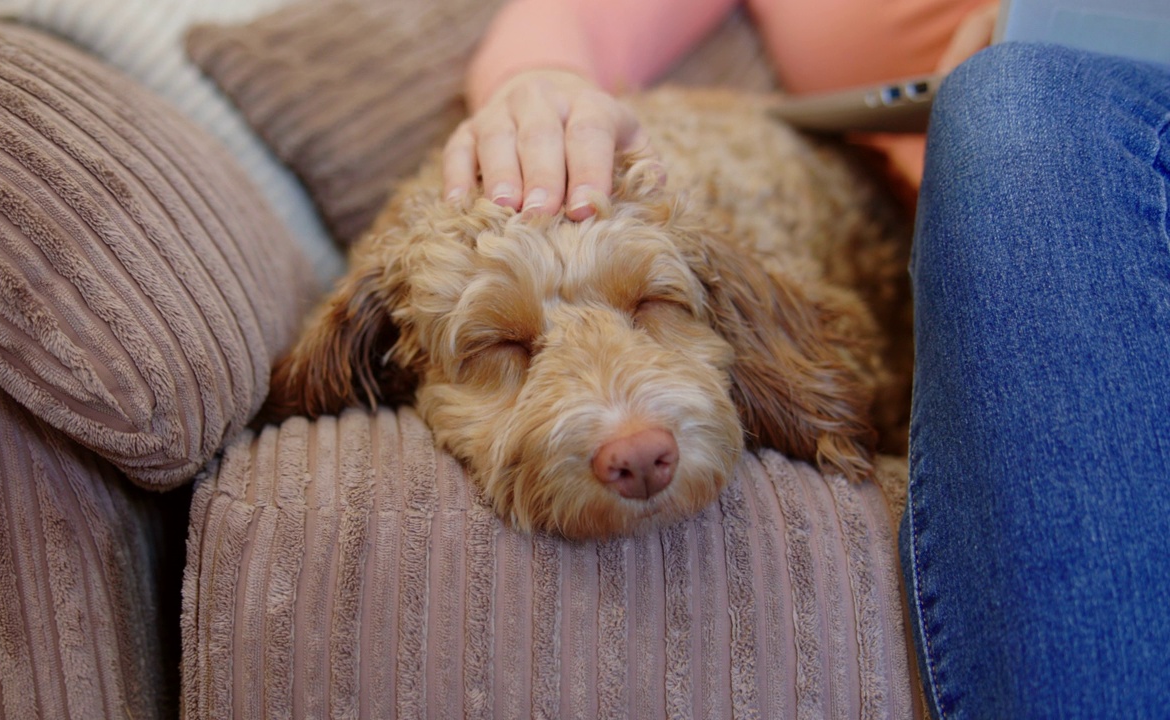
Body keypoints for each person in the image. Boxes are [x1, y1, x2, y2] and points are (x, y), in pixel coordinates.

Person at [447, 1, 1170, 717]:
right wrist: (538, 86)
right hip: (976, 249)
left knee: (1019, 94)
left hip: (1102, 151)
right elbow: (572, 16)